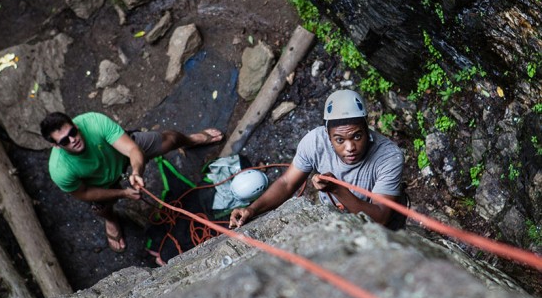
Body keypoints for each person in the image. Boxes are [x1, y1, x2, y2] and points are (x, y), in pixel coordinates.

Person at [40, 111, 223, 253]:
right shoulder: (60, 170)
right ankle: (111, 220)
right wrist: (123, 193)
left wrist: (136, 171)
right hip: (100, 183)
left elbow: (132, 148)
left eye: (73, 132)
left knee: (170, 139)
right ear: (56, 145)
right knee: (101, 206)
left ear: (75, 125)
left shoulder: (94, 122)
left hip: (119, 153)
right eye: (65, 140)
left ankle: (191, 139)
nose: (73, 140)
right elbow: (85, 193)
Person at [229, 89, 404, 229]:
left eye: (357, 136)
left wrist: (337, 189)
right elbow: (286, 183)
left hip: (376, 225)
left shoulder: (388, 157)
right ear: (328, 136)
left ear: (367, 129)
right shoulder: (315, 141)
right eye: (340, 140)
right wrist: (252, 209)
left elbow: (380, 218)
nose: (350, 148)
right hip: (332, 217)